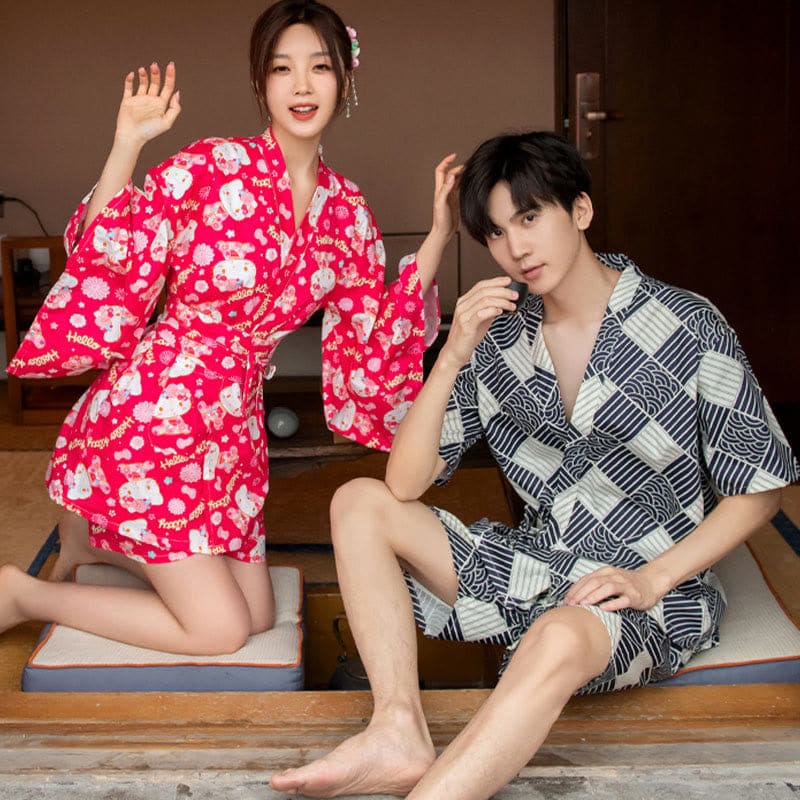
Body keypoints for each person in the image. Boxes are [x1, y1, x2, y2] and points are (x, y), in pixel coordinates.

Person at [269, 130, 800, 799]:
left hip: (649, 588)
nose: (515, 248)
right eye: (495, 233)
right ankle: (397, 728)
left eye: (529, 218)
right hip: (535, 566)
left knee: (556, 638)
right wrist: (452, 355)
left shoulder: (689, 323)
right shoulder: (500, 337)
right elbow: (403, 483)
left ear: (580, 210)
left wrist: (651, 580)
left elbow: (761, 489)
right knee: (358, 502)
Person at [0, 0, 461, 655]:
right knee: (220, 630)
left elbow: (371, 332)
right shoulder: (212, 166)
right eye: (282, 68)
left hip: (234, 429)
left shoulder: (348, 211)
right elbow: (107, 251)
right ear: (260, 83)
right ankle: (23, 594)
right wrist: (127, 143)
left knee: (256, 613)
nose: (301, 86)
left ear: (345, 80)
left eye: (320, 67)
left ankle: (98, 540)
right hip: (155, 413)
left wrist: (438, 238)